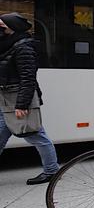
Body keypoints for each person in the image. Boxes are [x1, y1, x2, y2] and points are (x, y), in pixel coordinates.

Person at [0, 13, 59, 184]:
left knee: (35, 134)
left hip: (18, 98)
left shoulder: (23, 47)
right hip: (5, 99)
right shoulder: (6, 45)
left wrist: (22, 104)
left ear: (12, 27)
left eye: (2, 25)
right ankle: (51, 169)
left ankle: (51, 170)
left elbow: (28, 78)